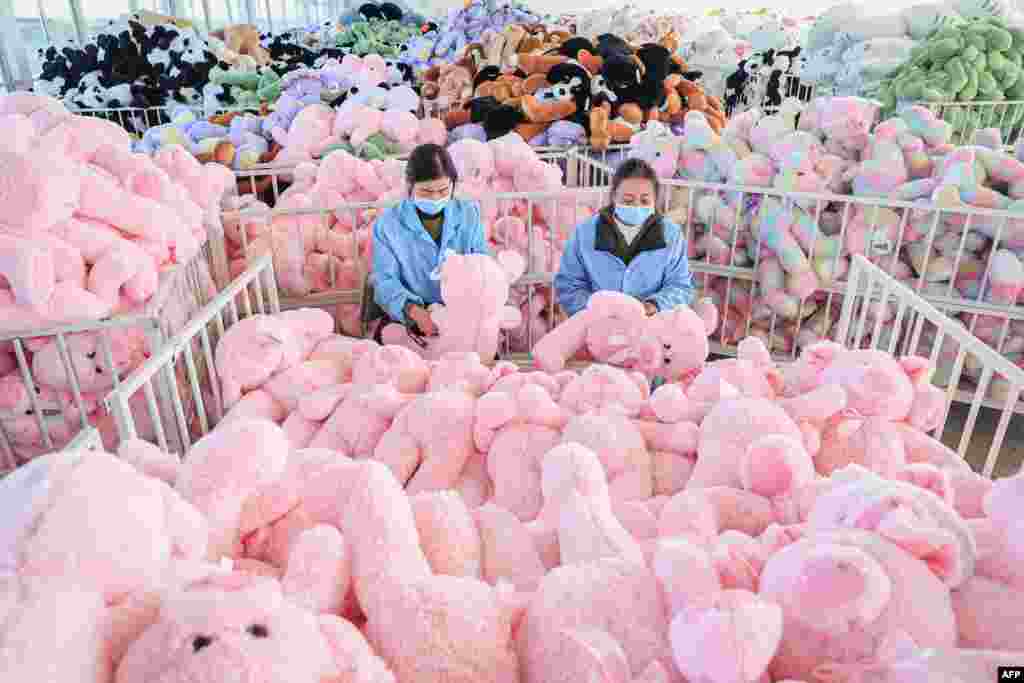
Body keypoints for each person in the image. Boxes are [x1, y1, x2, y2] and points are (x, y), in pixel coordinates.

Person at [368, 143, 490, 341]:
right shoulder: (388, 224)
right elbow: (384, 280)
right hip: (411, 316)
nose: (435, 198)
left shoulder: (468, 214)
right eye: (426, 192)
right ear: (409, 186)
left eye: (443, 191)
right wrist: (413, 311)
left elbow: (481, 264)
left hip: (461, 313)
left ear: (453, 185)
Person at [554, 157, 695, 317]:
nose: (636, 207)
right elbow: (568, 285)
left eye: (644, 200)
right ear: (614, 197)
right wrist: (598, 309)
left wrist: (654, 305)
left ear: (655, 201)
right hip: (597, 324)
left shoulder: (671, 234)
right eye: (628, 201)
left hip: (652, 327)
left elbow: (681, 286)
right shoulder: (586, 233)